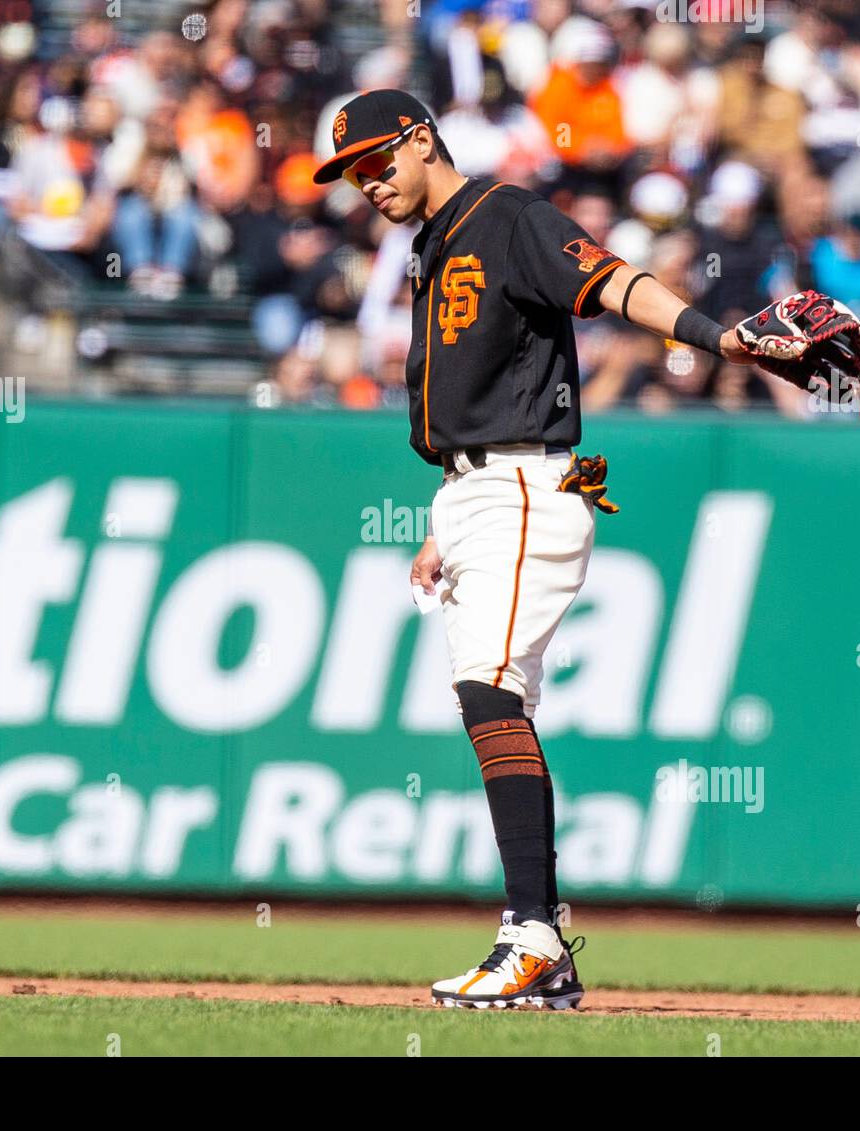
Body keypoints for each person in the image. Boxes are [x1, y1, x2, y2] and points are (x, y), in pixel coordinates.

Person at [311, 90, 779, 1011]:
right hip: (476, 487)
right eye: (350, 172)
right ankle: (538, 943)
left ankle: (532, 933)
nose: (366, 182)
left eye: (375, 160)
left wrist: (717, 338)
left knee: (490, 691)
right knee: (491, 699)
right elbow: (466, 403)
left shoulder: (508, 214)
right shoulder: (431, 245)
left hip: (530, 481)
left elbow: (609, 281)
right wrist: (443, 519)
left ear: (419, 140)